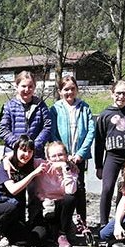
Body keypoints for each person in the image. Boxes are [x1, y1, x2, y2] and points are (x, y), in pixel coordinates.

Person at [0, 135, 45, 247]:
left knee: (33, 238)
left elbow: (50, 163)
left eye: (30, 151)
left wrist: (68, 162)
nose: (26, 155)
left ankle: (4, 234)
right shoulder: (6, 165)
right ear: (16, 149)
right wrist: (33, 174)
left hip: (13, 212)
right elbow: (13, 190)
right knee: (11, 207)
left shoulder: (30, 164)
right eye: (23, 150)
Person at [94, 79, 125, 226]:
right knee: (107, 188)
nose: (121, 97)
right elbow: (99, 142)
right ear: (112, 94)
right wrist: (99, 166)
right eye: (117, 93)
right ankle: (103, 223)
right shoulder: (105, 115)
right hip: (112, 157)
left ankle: (120, 222)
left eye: (124, 93)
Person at [48, 76, 95, 224]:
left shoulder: (84, 107)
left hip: (78, 157)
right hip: (62, 158)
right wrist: (63, 155)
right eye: (66, 89)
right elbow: (53, 132)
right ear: (60, 91)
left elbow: (90, 131)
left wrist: (81, 153)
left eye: (72, 89)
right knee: (62, 189)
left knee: (79, 188)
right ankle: (61, 221)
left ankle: (82, 221)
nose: (69, 92)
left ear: (77, 90)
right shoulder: (55, 109)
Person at [31, 141, 79, 247]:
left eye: (61, 155)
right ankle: (54, 234)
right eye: (54, 156)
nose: (57, 159)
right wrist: (6, 159)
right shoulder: (41, 165)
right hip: (45, 208)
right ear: (48, 158)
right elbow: (23, 158)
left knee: (70, 198)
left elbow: (70, 191)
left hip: (62, 211)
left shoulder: (71, 170)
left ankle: (62, 233)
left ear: (67, 156)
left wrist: (64, 168)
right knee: (38, 238)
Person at [0, 71, 51, 157]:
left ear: (34, 87)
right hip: (13, 154)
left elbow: (47, 127)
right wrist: (19, 145)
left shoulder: (41, 105)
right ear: (16, 86)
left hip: (35, 154)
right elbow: (3, 129)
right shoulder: (8, 106)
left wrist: (34, 145)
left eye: (30, 86)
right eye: (23, 86)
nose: (27, 90)